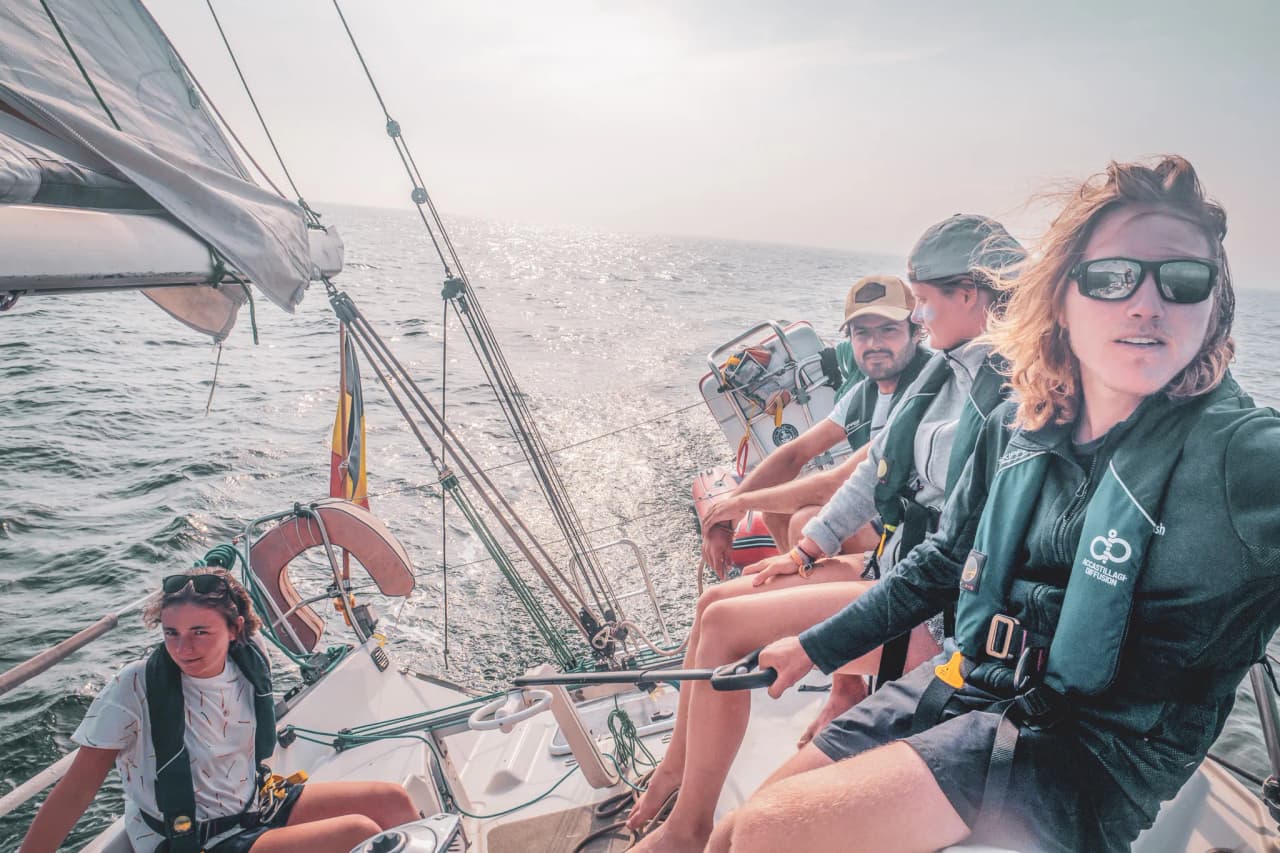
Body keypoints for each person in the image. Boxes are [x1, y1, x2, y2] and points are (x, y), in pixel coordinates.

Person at [710, 156, 1280, 853]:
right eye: (1112, 276)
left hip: (1083, 759)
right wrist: (814, 647)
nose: (1146, 302)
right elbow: (945, 560)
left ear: (1214, 307)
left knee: (769, 834)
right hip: (967, 687)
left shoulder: (1244, 460)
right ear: (1063, 297)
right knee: (736, 829)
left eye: (1183, 279)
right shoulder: (1022, 419)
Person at [626, 215, 1024, 851]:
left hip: (935, 614)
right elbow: (873, 470)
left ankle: (686, 826)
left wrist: (819, 632)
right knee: (715, 603)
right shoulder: (942, 372)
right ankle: (679, 775)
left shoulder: (1005, 391)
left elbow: (957, 547)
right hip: (894, 566)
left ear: (971, 295)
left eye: (921, 300)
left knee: (729, 630)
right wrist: (806, 552)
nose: (917, 316)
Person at [20, 569, 419, 853]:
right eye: (171, 633)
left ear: (235, 630)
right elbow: (76, 789)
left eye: (200, 632)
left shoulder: (248, 658)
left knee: (394, 801)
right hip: (191, 838)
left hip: (252, 805)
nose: (182, 648)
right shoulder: (136, 685)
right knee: (357, 832)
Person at [701, 274, 930, 576]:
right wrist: (721, 520)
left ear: (917, 331)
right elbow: (795, 454)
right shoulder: (866, 393)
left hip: (915, 531)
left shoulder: (925, 388)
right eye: (862, 332)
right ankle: (802, 590)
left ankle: (825, 602)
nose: (875, 344)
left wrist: (740, 504)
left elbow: (833, 486)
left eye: (888, 329)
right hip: (879, 509)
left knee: (805, 520)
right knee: (776, 510)